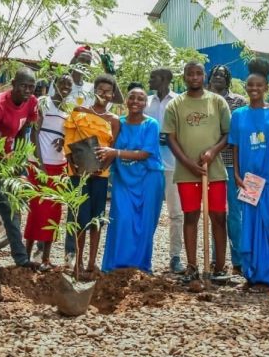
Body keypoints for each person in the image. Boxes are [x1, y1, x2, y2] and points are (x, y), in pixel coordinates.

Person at [163, 61, 231, 283]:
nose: (194, 77)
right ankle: (192, 266)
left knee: (219, 217)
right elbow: (170, 137)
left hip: (215, 171)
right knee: (191, 216)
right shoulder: (176, 104)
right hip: (186, 172)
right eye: (190, 74)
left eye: (198, 73)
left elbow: (227, 134)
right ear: (184, 77)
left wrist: (212, 152)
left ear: (204, 77)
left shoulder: (218, 102)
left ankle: (219, 268)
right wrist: (187, 162)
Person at [230, 58, 269, 292]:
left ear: (266, 87)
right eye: (250, 85)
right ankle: (252, 274)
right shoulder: (239, 114)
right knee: (250, 225)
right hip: (249, 180)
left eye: (259, 86)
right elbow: (234, 145)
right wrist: (236, 173)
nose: (254, 89)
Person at [0, 66, 39, 268]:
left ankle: (20, 259)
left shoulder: (32, 103)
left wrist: (18, 158)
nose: (27, 91)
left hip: (8, 157)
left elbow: (24, 130)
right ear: (13, 84)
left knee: (12, 205)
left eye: (32, 87)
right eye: (23, 86)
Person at [100, 87, 165, 273]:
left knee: (145, 223)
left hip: (149, 178)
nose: (136, 101)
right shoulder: (118, 123)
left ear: (145, 103)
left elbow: (145, 153)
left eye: (140, 99)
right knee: (121, 218)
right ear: (126, 101)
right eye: (132, 97)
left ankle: (140, 267)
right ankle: (115, 266)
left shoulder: (151, 124)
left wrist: (117, 153)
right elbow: (107, 146)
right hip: (123, 178)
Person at [63, 73, 120, 275]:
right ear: (94, 91)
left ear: (113, 95)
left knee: (96, 219)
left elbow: (113, 148)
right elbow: (68, 141)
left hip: (100, 175)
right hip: (78, 173)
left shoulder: (114, 120)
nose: (104, 94)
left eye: (108, 91)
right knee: (80, 218)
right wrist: (74, 164)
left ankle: (91, 262)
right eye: (100, 90)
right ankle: (77, 261)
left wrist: (101, 167)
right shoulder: (78, 113)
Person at [24, 73, 74, 270]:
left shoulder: (68, 109)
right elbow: (34, 133)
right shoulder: (44, 103)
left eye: (68, 85)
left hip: (59, 165)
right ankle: (26, 256)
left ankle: (45, 257)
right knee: (35, 209)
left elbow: (68, 134)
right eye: (62, 83)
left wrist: (64, 140)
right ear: (55, 84)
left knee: (54, 212)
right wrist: (40, 163)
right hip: (39, 163)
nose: (65, 87)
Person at [208, 64, 247, 275]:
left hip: (231, 163)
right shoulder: (203, 101)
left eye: (223, 75)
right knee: (216, 214)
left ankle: (238, 260)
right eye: (215, 74)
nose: (219, 77)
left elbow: (238, 133)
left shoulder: (238, 101)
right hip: (211, 164)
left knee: (234, 214)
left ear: (228, 79)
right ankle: (217, 259)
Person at [145, 67, 183, 274]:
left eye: (153, 77)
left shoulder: (178, 101)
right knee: (148, 213)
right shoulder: (146, 102)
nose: (149, 79)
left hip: (172, 164)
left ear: (165, 79)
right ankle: (143, 256)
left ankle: (175, 257)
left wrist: (171, 138)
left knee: (176, 213)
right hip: (150, 165)